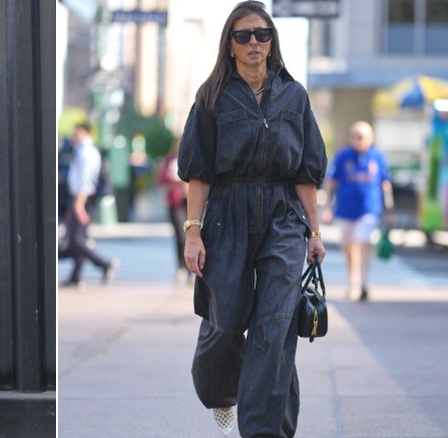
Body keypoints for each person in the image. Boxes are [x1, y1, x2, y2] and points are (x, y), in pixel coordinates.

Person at [177, 2, 327, 437]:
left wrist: (314, 231)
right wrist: (193, 233)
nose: (254, 42)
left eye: (262, 34)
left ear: (272, 40)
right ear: (230, 45)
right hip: (227, 213)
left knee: (275, 325)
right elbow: (199, 171)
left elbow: (305, 171)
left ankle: (265, 430)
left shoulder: (294, 95)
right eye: (243, 35)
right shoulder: (212, 97)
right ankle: (221, 391)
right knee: (226, 321)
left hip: (282, 215)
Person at [321, 121, 395, 301]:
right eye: (354, 136)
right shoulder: (344, 156)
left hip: (369, 210)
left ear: (370, 138)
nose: (357, 140)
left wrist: (389, 210)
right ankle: (353, 280)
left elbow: (385, 184)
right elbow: (331, 182)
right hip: (345, 210)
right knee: (349, 247)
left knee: (363, 242)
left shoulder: (378, 156)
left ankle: (362, 282)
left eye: (361, 137)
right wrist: (327, 207)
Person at [58, 123, 119, 288]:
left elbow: (84, 182)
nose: (73, 137)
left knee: (76, 239)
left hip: (83, 199)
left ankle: (104, 264)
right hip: (80, 199)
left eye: (76, 134)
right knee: (78, 238)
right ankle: (76, 275)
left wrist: (78, 205)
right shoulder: (82, 152)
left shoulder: (86, 153)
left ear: (86, 134)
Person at [157, 140, 191, 283]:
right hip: (175, 202)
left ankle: (190, 269)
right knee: (180, 236)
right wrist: (175, 182)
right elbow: (161, 179)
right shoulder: (170, 160)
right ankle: (181, 267)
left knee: (191, 234)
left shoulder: (192, 157)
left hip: (190, 201)